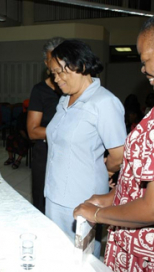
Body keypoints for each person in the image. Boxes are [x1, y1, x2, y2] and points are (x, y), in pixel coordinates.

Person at [73, 16, 154, 271]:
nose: (142, 68)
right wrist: (111, 197)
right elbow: (141, 188)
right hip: (130, 239)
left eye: (146, 59)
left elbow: (150, 209)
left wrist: (96, 215)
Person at [46, 39, 127, 258]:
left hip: (83, 196)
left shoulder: (104, 102)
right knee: (57, 253)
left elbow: (118, 155)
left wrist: (107, 171)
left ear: (80, 66)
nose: (56, 79)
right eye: (53, 74)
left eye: (60, 73)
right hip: (54, 191)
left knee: (82, 257)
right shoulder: (64, 101)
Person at [27, 37, 64, 214]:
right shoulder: (40, 91)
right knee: (41, 203)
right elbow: (33, 131)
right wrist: (65, 132)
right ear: (46, 63)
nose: (57, 64)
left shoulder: (77, 90)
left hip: (70, 155)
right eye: (52, 59)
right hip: (45, 153)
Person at [4, 99, 30, 169]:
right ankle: (11, 158)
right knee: (10, 138)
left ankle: (18, 160)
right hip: (20, 132)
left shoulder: (34, 115)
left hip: (29, 134)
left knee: (23, 141)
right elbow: (19, 127)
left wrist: (26, 137)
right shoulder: (22, 114)